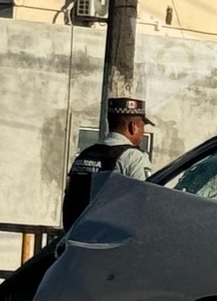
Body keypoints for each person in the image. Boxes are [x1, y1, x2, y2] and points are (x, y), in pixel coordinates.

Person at [60, 97, 153, 228]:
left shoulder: (84, 155)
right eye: (142, 127)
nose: (143, 133)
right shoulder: (133, 157)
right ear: (133, 127)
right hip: (110, 240)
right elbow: (145, 202)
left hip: (75, 238)